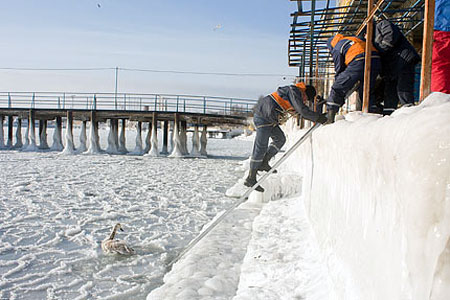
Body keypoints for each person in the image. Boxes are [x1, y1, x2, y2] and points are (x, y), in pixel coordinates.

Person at [245, 82, 327, 192]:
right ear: (304, 92)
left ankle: (264, 161)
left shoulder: (295, 95)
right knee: (261, 146)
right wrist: (318, 118)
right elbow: (302, 110)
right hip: (263, 116)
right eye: (306, 98)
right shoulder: (294, 90)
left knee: (280, 139)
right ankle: (251, 177)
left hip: (270, 119)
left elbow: (300, 111)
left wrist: (318, 110)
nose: (304, 101)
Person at [326, 34, 381, 122]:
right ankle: (371, 113)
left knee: (337, 87)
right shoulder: (352, 39)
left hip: (359, 59)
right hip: (375, 59)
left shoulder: (337, 47)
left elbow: (339, 69)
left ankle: (330, 115)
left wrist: (343, 84)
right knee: (366, 89)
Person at [372, 20, 420, 115]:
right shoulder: (372, 41)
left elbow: (390, 37)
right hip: (392, 67)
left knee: (403, 88)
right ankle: (388, 115)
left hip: (403, 59)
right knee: (390, 92)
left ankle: (409, 113)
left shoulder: (382, 24)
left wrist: (380, 49)